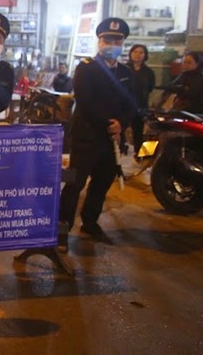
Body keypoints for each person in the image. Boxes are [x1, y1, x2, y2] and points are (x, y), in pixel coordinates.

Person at [58, 17, 136, 250]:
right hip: (87, 137)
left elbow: (131, 103)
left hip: (112, 139)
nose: (112, 43)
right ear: (99, 41)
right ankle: (62, 231)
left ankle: (90, 222)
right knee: (75, 184)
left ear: (123, 43)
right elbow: (86, 101)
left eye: (117, 39)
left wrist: (121, 124)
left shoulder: (126, 72)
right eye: (107, 39)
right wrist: (107, 123)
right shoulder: (86, 67)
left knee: (102, 183)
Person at [126, 44, 156, 157]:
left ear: (145, 55)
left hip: (140, 105)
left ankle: (139, 154)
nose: (137, 55)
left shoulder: (148, 72)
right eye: (135, 52)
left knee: (138, 130)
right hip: (124, 105)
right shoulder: (124, 68)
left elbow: (150, 88)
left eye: (141, 52)